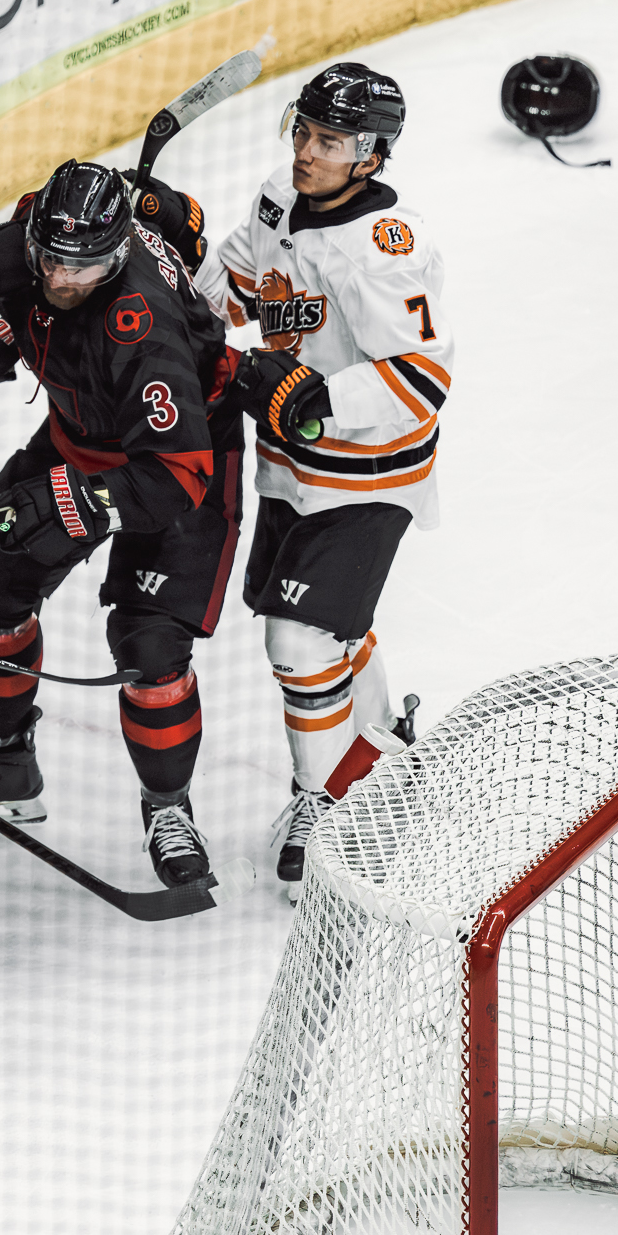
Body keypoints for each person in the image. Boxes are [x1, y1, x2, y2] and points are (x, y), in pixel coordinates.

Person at [0, 160, 239, 888]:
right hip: (80, 433)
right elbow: (3, 266)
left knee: (148, 645)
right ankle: (8, 765)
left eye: (89, 267)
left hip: (179, 457)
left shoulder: (143, 329)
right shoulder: (45, 217)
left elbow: (175, 477)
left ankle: (168, 807)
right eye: (53, 262)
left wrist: (70, 500)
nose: (65, 280)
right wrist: (9, 326)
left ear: (119, 252)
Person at [197, 62, 448, 899]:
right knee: (325, 631)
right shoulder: (280, 197)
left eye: (329, 141)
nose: (307, 151)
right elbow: (229, 286)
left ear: (370, 156)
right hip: (290, 465)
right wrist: (159, 275)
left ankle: (325, 801)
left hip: (369, 474)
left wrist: (313, 393)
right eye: (302, 130)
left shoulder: (384, 250)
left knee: (295, 641)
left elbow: (422, 377)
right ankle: (378, 747)